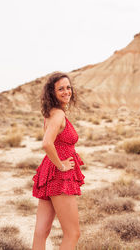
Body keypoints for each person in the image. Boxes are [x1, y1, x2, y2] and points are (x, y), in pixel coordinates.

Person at [32, 72, 85, 250]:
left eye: (68, 87)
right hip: (59, 175)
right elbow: (47, 143)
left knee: (41, 231)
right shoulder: (58, 115)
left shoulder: (52, 113)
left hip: (48, 172)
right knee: (73, 233)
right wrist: (61, 165)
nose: (66, 91)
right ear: (52, 92)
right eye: (60, 88)